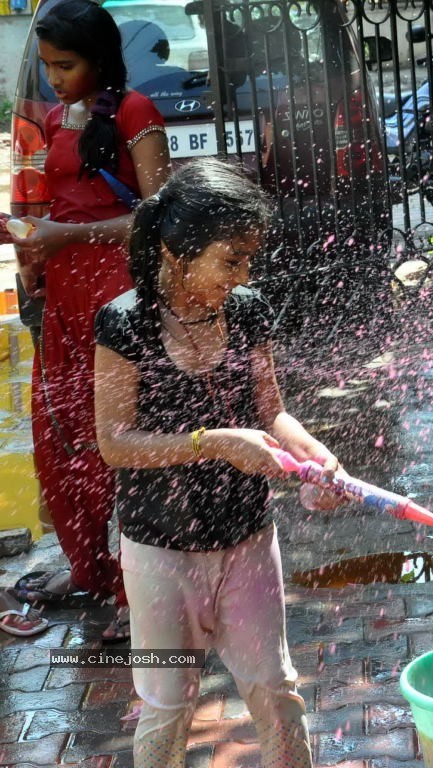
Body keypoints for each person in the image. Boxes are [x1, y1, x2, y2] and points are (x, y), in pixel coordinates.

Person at [93, 158, 342, 767]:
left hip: (247, 538)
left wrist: (312, 452)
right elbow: (115, 443)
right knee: (166, 705)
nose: (244, 275)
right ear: (179, 255)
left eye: (249, 260)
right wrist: (212, 441)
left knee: (276, 689)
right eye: (231, 260)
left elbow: (272, 412)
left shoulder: (249, 309)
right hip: (158, 551)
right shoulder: (125, 324)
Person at [8, 0, 171, 643]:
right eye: (47, 66)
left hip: (120, 296)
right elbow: (54, 208)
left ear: (99, 60)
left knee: (124, 439)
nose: (53, 79)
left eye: (65, 65)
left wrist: (67, 236)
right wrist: (33, 254)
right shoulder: (52, 118)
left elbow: (159, 222)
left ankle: (144, 599)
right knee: (62, 433)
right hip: (64, 297)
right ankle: (90, 569)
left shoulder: (135, 113)